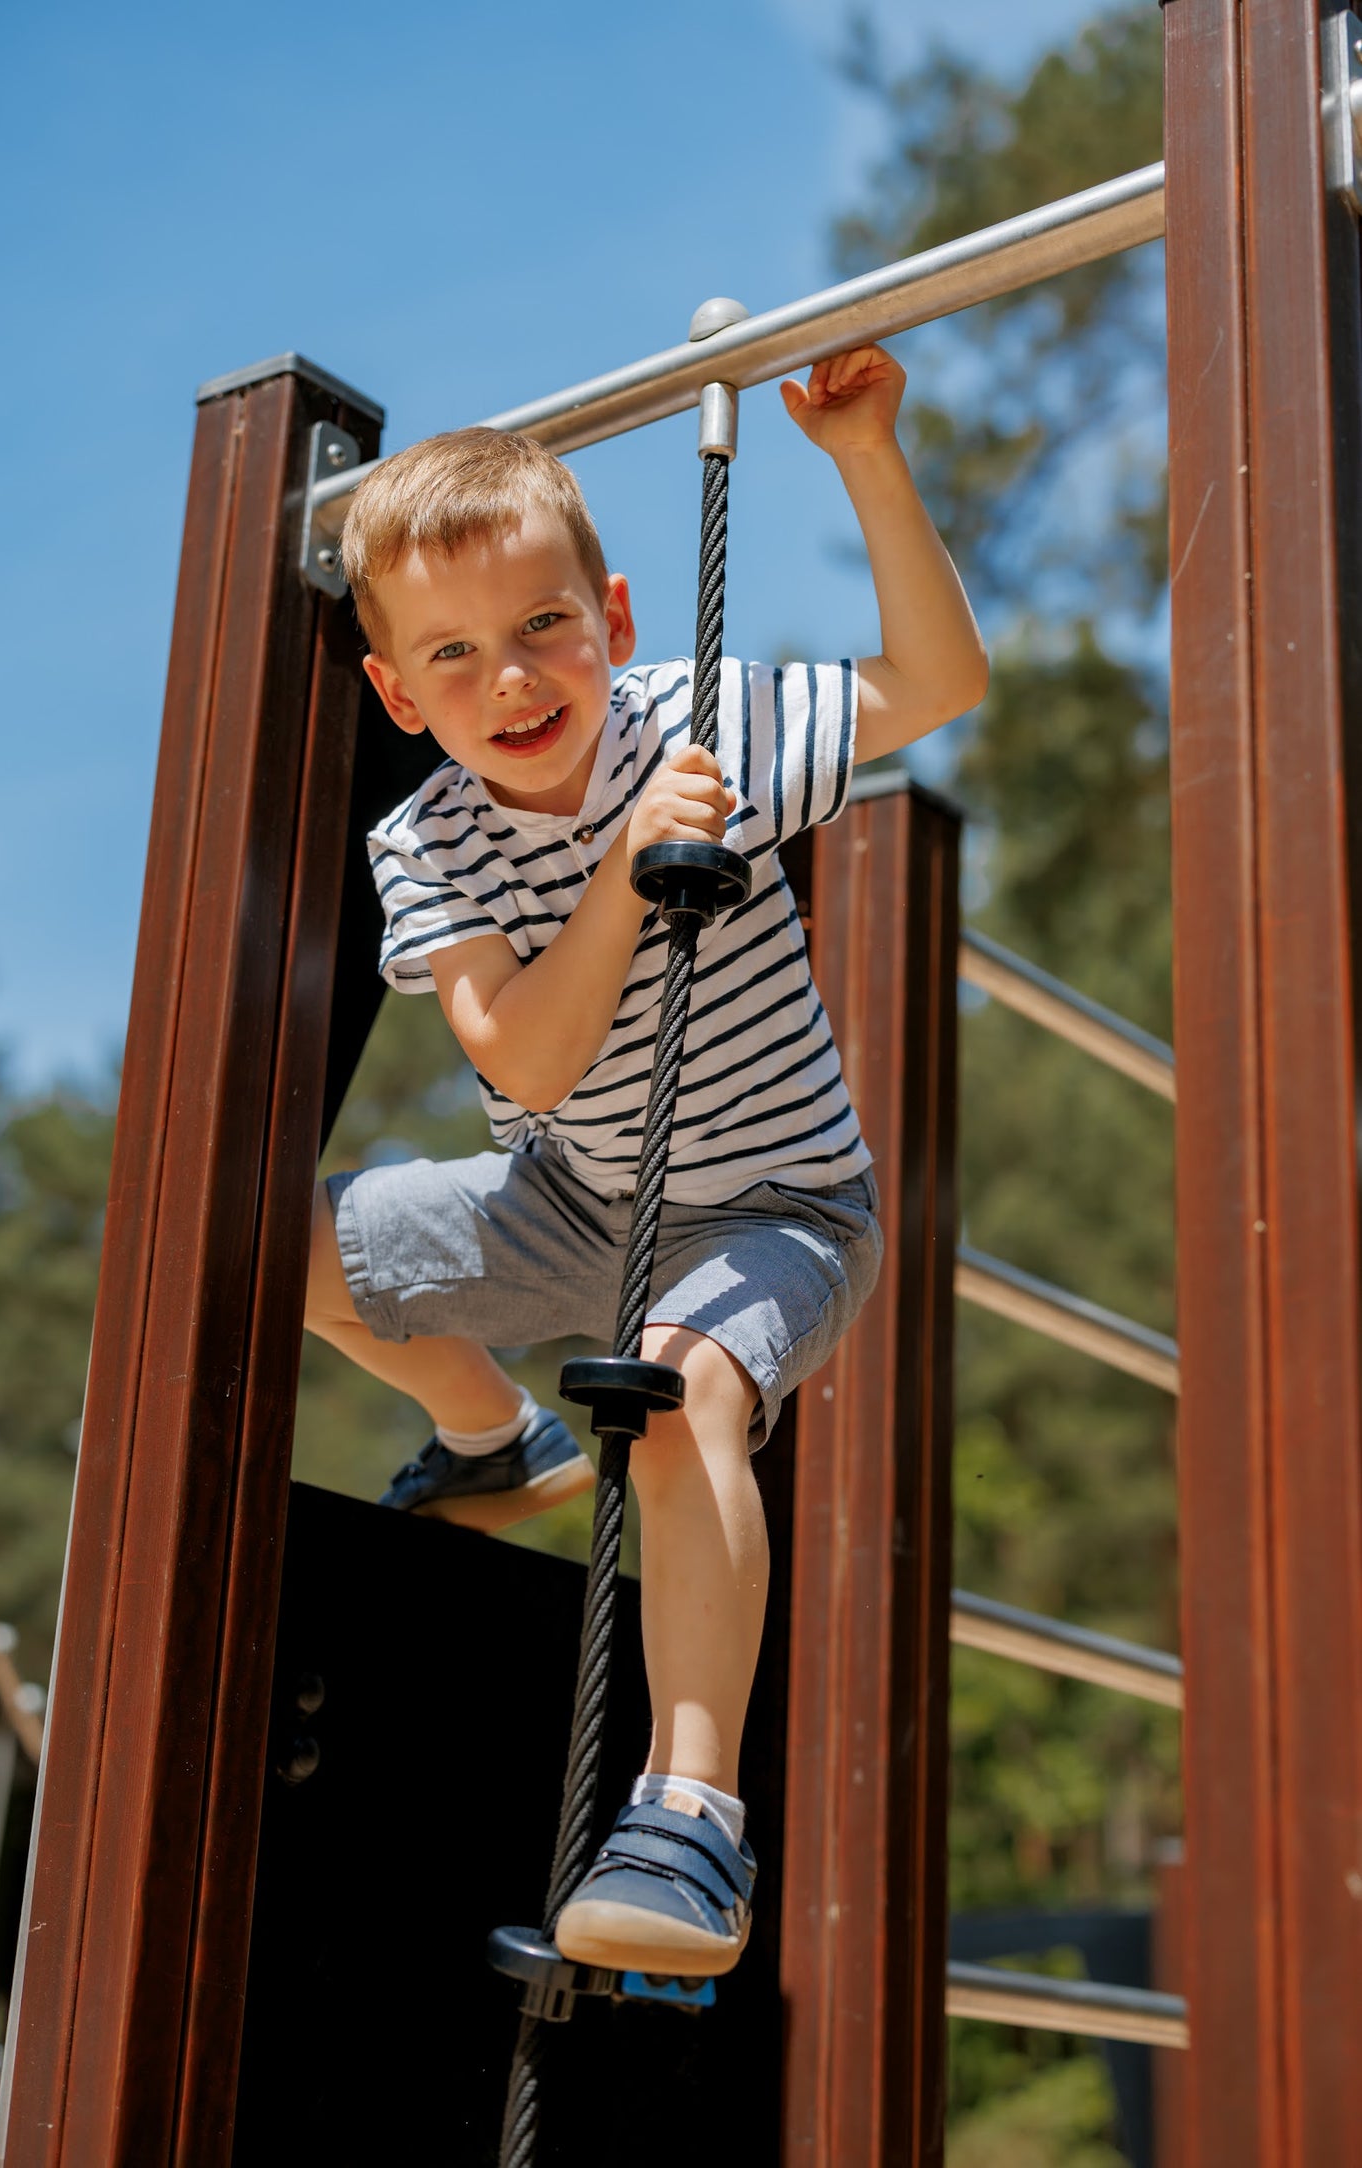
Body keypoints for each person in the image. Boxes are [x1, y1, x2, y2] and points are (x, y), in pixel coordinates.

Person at [304, 344, 987, 1980]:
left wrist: (866, 456)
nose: (514, 682)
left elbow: (937, 681)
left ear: (612, 612)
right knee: (278, 1248)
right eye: (454, 657)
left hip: (778, 1209)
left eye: (544, 626)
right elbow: (522, 1058)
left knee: (682, 1396)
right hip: (567, 1202)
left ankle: (690, 1822)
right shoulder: (424, 841)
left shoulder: (709, 718)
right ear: (400, 697)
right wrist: (626, 864)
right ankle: (489, 1437)